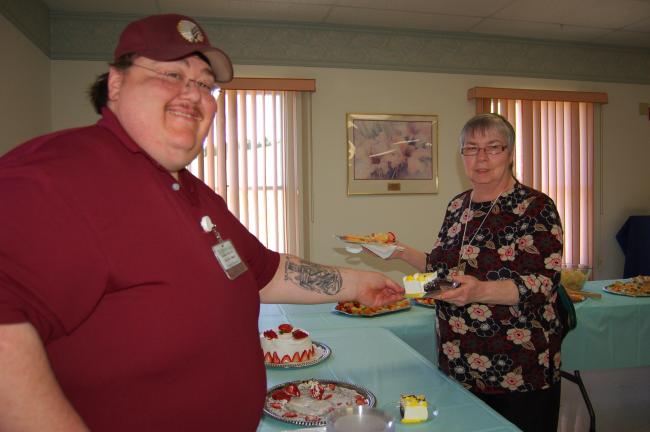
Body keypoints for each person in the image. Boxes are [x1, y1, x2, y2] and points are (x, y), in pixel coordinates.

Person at [0, 14, 403, 432]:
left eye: (204, 84)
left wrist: (358, 283)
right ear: (115, 85)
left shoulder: (194, 192)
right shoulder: (60, 172)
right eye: (171, 74)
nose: (192, 95)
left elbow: (265, 272)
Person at [385, 113, 564, 431]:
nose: (481, 157)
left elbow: (543, 283)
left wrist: (479, 291)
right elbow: (444, 271)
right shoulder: (458, 206)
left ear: (509, 153)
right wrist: (398, 251)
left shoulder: (535, 207)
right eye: (471, 148)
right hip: (459, 362)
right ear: (462, 156)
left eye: (492, 147)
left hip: (520, 369)